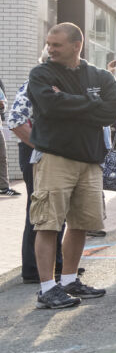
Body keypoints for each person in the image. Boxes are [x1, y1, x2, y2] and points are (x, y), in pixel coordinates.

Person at [26, 23, 116, 309]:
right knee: (48, 224)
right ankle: (47, 288)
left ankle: (68, 280)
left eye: (56, 44)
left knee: (81, 224)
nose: (50, 49)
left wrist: (69, 101)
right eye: (49, 44)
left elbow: (111, 112)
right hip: (55, 158)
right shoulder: (41, 74)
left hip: (90, 161)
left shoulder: (101, 76)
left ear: (77, 45)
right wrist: (91, 103)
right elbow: (50, 106)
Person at [6, 80, 65, 283]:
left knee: (57, 210)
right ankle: (34, 269)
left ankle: (56, 264)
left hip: (56, 152)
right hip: (36, 151)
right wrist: (44, 146)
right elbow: (15, 120)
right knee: (39, 209)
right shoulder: (33, 84)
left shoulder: (66, 82)